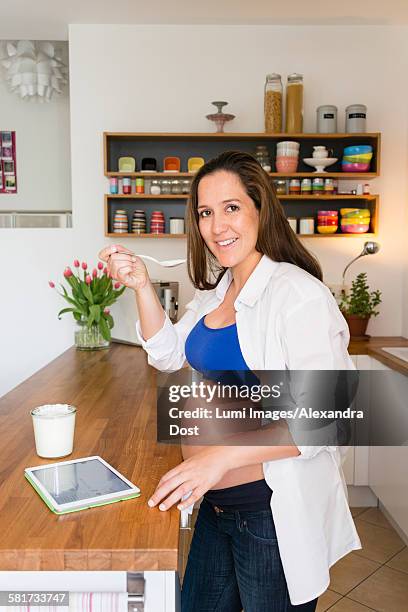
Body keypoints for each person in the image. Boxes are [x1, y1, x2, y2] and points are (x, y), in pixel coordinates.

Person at [99, 151, 361, 612]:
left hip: (268, 514)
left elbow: (328, 419)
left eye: (231, 208)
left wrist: (219, 457)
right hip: (215, 505)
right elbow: (167, 353)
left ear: (261, 210)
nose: (218, 225)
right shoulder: (217, 290)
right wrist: (142, 285)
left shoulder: (296, 294)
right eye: (205, 212)